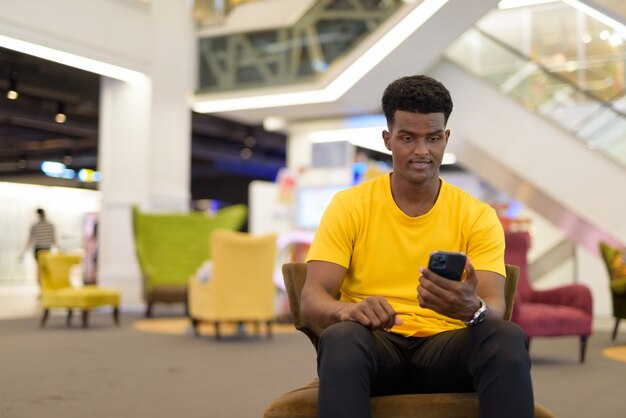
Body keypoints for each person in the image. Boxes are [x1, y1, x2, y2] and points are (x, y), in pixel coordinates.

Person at [300, 75, 534, 418]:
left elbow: (495, 304)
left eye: (433, 138)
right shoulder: (349, 205)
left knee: (506, 336)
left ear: (446, 139)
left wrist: (473, 309)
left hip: (447, 351)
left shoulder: (477, 215)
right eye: (408, 138)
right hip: (374, 347)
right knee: (341, 337)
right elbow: (312, 297)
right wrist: (346, 311)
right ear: (388, 139)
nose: (421, 151)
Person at [20, 208, 58, 288]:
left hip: (38, 250)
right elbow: (54, 240)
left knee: (39, 270)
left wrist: (23, 252)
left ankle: (41, 289)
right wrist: (60, 248)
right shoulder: (50, 225)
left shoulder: (34, 226)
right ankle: (45, 288)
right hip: (47, 249)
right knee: (46, 270)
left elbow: (29, 240)